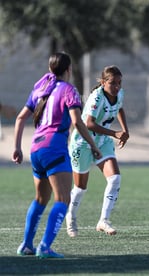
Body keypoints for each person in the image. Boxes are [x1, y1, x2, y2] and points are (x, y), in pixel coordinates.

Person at [12, 52, 102, 258]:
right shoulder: (69, 90)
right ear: (68, 69)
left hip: (35, 148)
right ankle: (44, 247)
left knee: (41, 198)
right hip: (55, 147)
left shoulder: (40, 89)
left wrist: (17, 147)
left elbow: (19, 118)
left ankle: (26, 245)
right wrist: (93, 144)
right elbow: (78, 122)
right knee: (63, 198)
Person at [66, 65, 129, 237]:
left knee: (115, 178)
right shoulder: (96, 97)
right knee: (80, 187)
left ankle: (104, 220)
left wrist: (125, 130)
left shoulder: (119, 94)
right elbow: (89, 124)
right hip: (83, 142)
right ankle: (71, 217)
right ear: (103, 82)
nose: (117, 87)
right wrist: (115, 133)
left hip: (102, 142)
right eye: (112, 83)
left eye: (119, 83)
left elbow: (120, 107)